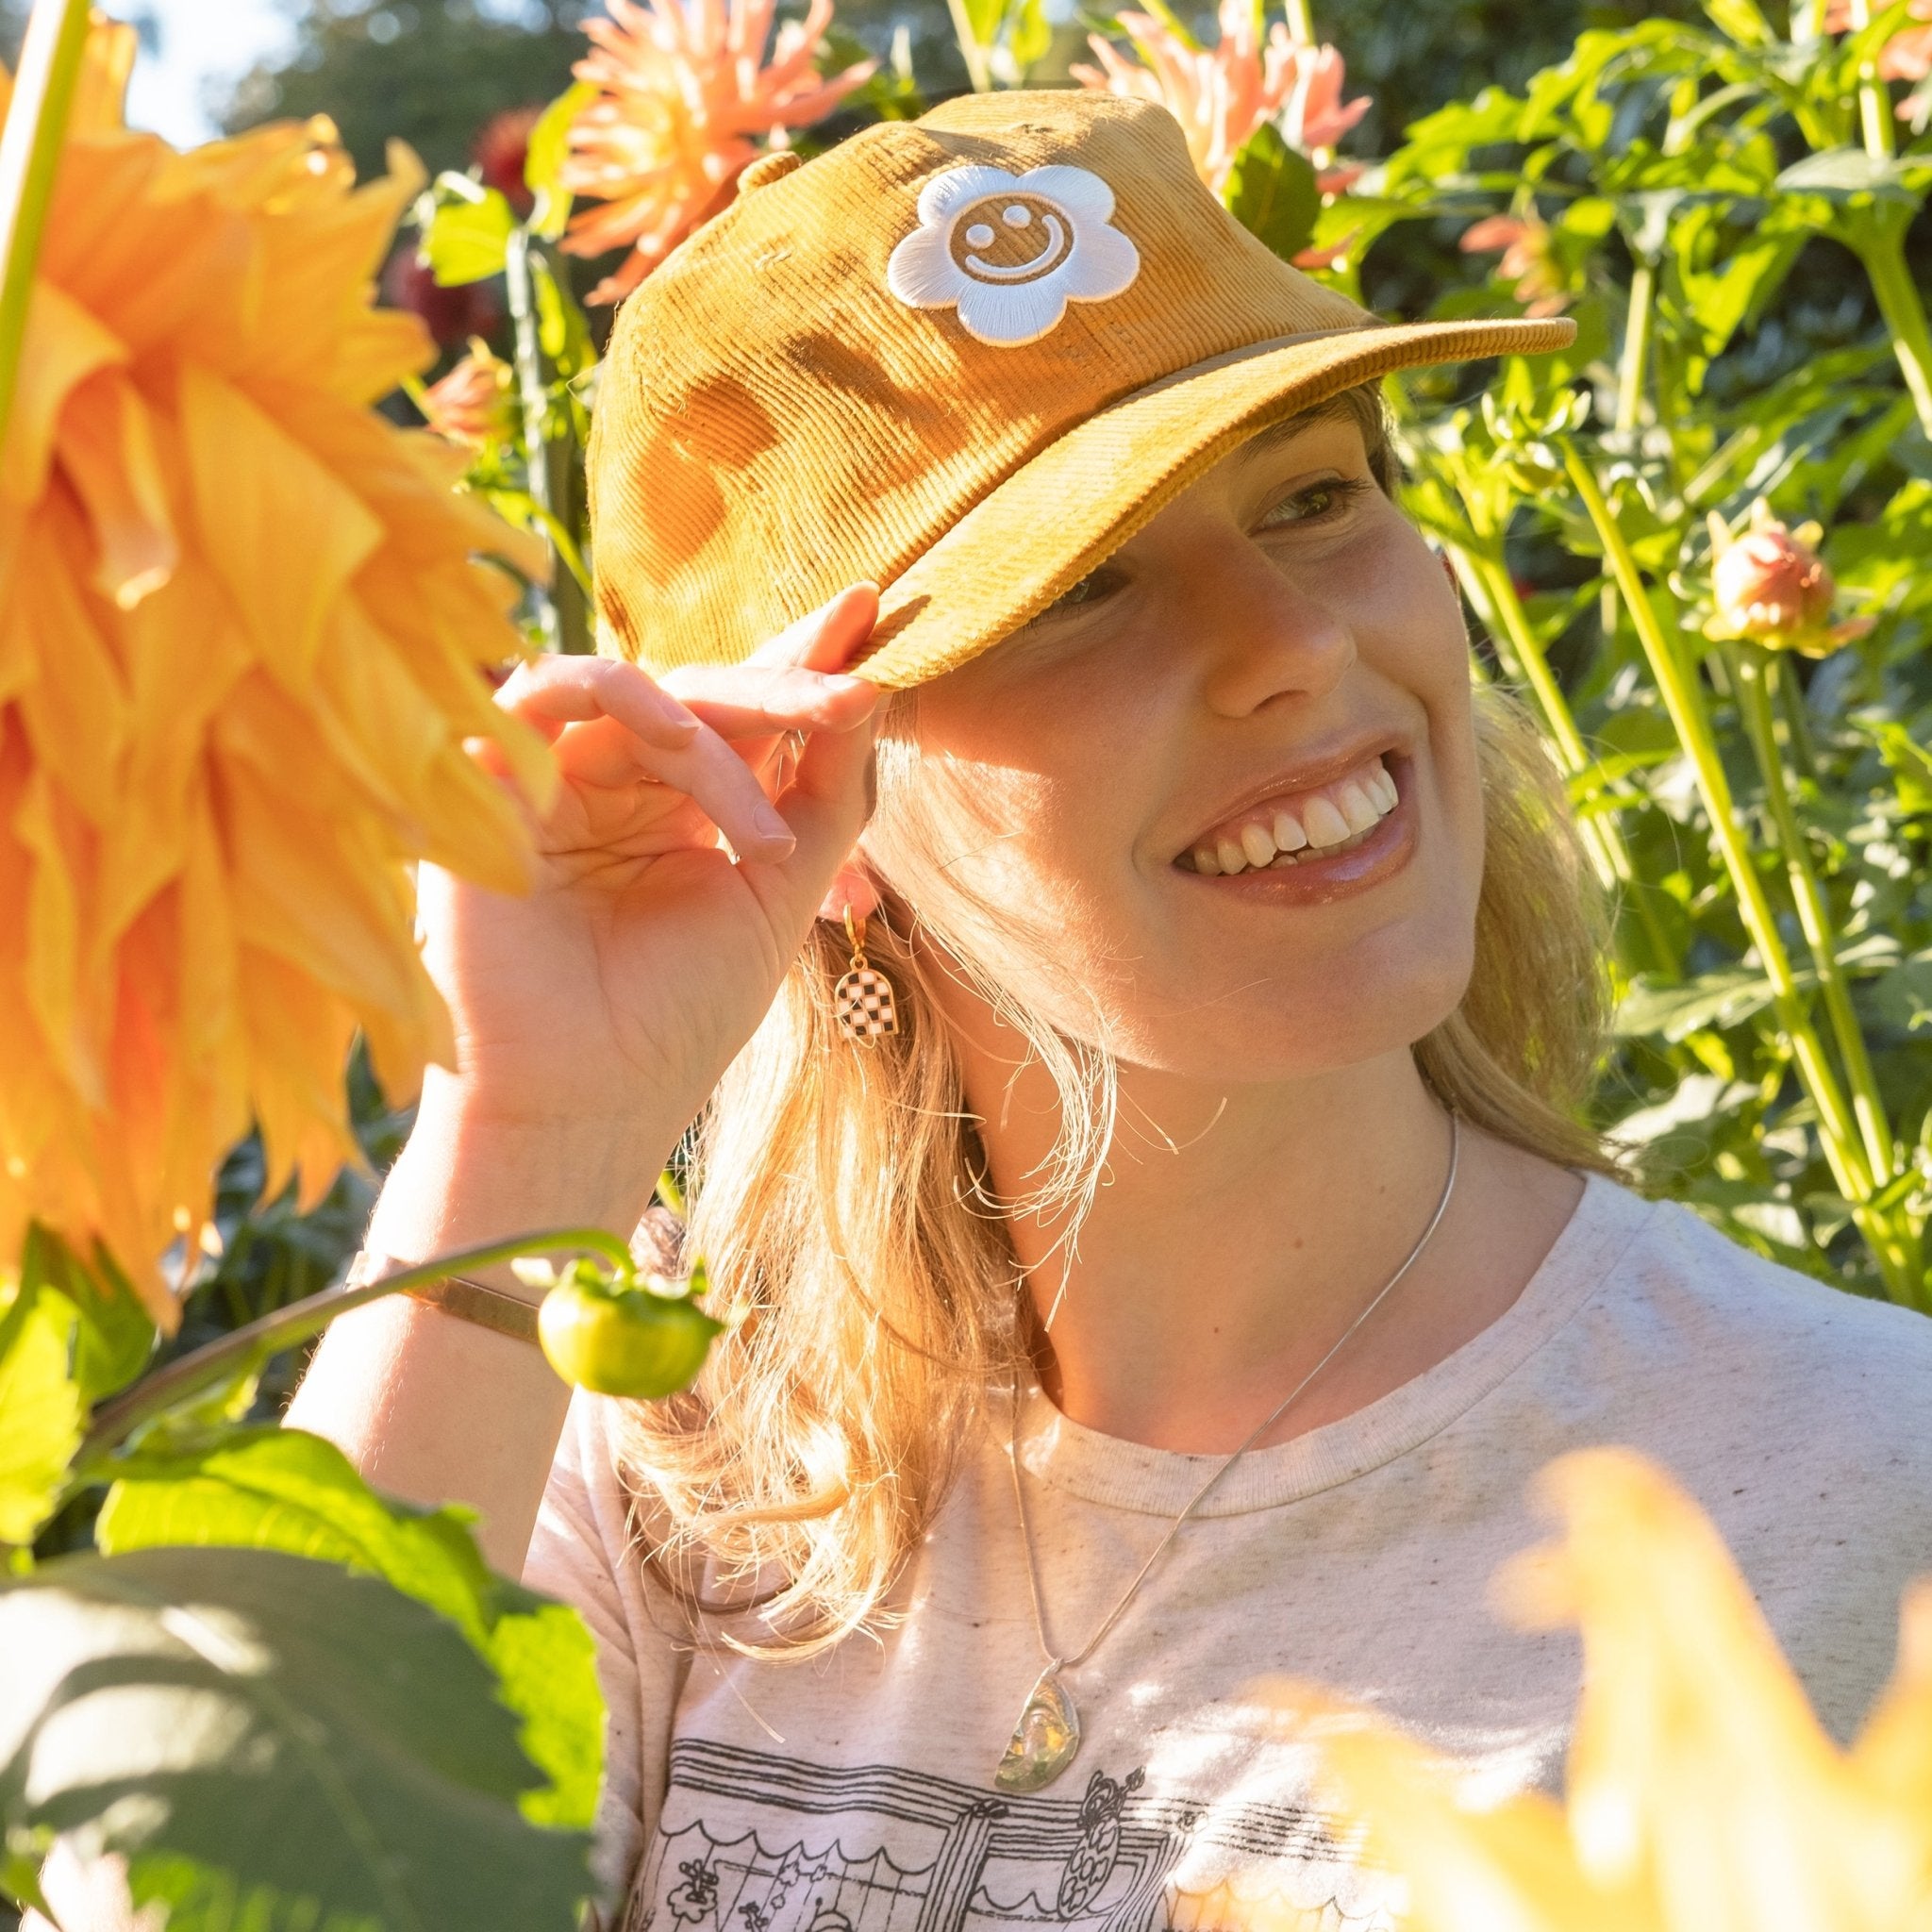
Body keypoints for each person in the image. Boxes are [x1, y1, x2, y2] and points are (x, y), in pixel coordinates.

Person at [291, 90, 1932, 1932]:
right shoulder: (663, 1459)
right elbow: (210, 1892)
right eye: (1076, 591)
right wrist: (529, 1125)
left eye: (1315, 494)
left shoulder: (1856, 1488)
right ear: (787, 792)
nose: (1295, 642)